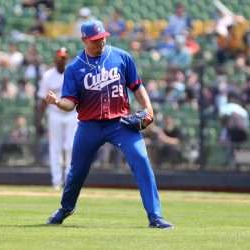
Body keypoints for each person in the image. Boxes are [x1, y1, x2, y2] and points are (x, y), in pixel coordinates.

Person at [44, 20, 173, 229]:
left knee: (141, 159)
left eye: (103, 37)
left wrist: (149, 108)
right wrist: (57, 102)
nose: (101, 42)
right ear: (84, 40)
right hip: (89, 126)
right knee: (76, 171)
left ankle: (155, 216)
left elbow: (137, 86)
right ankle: (66, 208)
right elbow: (70, 103)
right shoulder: (74, 68)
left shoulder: (121, 57)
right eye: (95, 40)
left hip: (120, 123)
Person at [37, 47, 78, 190]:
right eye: (60, 57)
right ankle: (56, 181)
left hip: (72, 113)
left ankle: (68, 181)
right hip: (54, 114)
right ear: (55, 59)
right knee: (55, 148)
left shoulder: (72, 73)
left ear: (67, 59)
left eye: (64, 58)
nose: (62, 60)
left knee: (70, 147)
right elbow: (42, 99)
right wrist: (39, 120)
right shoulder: (48, 76)